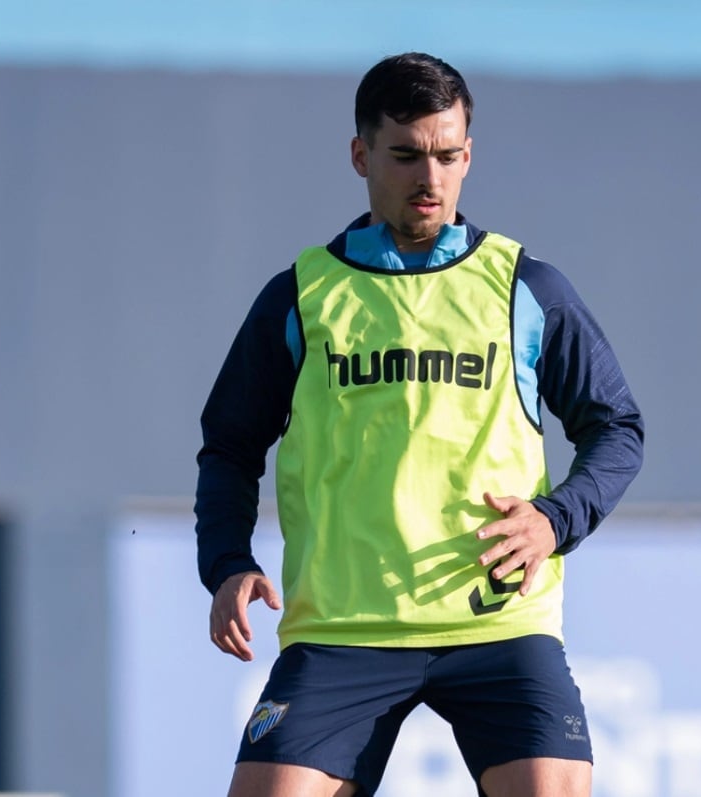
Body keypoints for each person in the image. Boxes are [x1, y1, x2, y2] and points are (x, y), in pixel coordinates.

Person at [193, 52, 644, 797]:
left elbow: (617, 428)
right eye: (404, 155)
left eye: (446, 155)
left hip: (498, 627)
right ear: (360, 154)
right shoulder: (302, 294)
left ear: (468, 154)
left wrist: (553, 520)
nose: (428, 178)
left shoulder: (525, 286)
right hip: (342, 630)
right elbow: (230, 446)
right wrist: (226, 561)